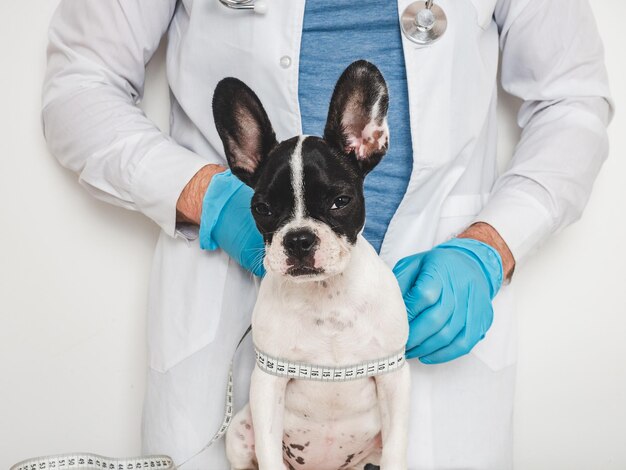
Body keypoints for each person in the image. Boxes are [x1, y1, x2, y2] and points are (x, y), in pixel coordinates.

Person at [42, 1, 612, 468]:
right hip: (235, 323)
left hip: (430, 352)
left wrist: (491, 246)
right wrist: (211, 198)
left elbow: (572, 100)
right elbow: (80, 85)